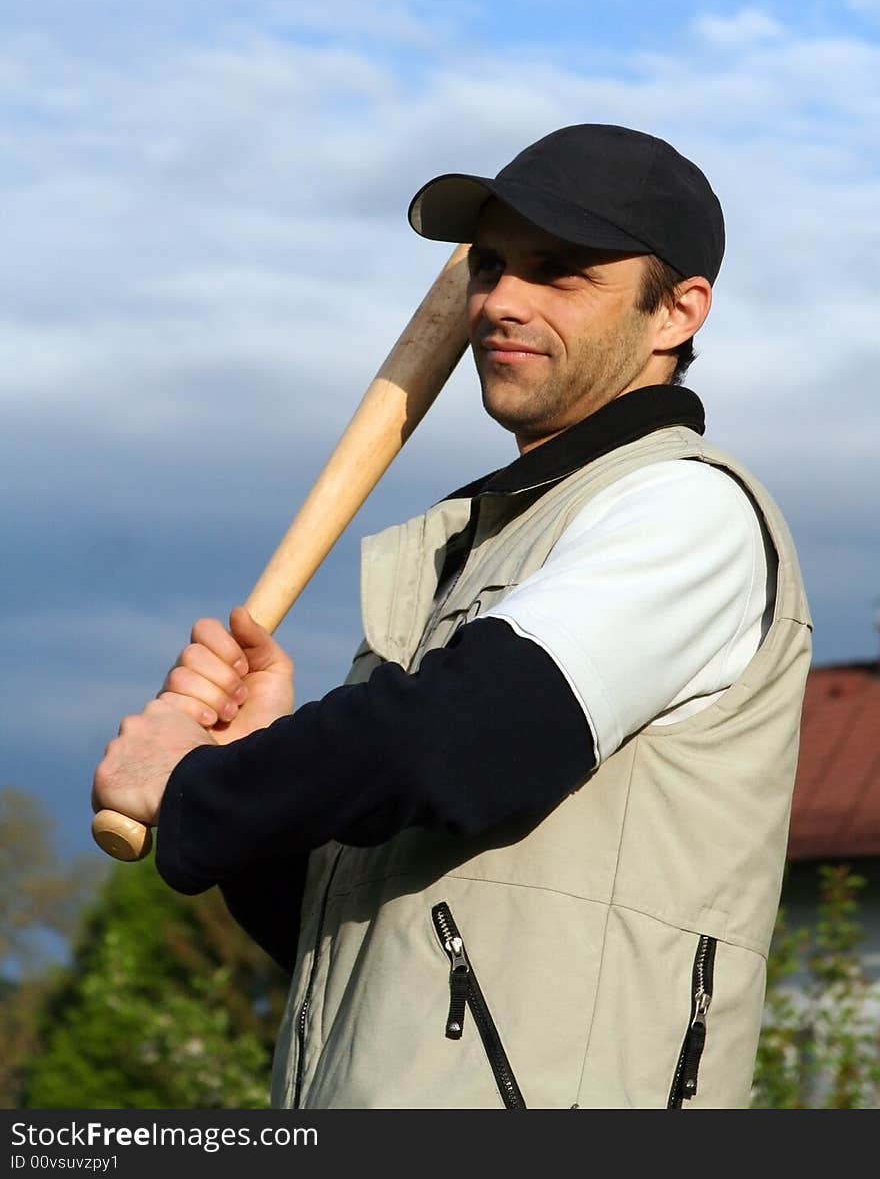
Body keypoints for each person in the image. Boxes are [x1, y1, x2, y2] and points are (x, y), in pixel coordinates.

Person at [92, 123, 813, 1110]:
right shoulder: (477, 556)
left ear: (675, 312)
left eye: (558, 271)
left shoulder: (685, 510)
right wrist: (255, 776)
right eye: (490, 264)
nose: (499, 302)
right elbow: (341, 934)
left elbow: (466, 746)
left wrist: (193, 785)